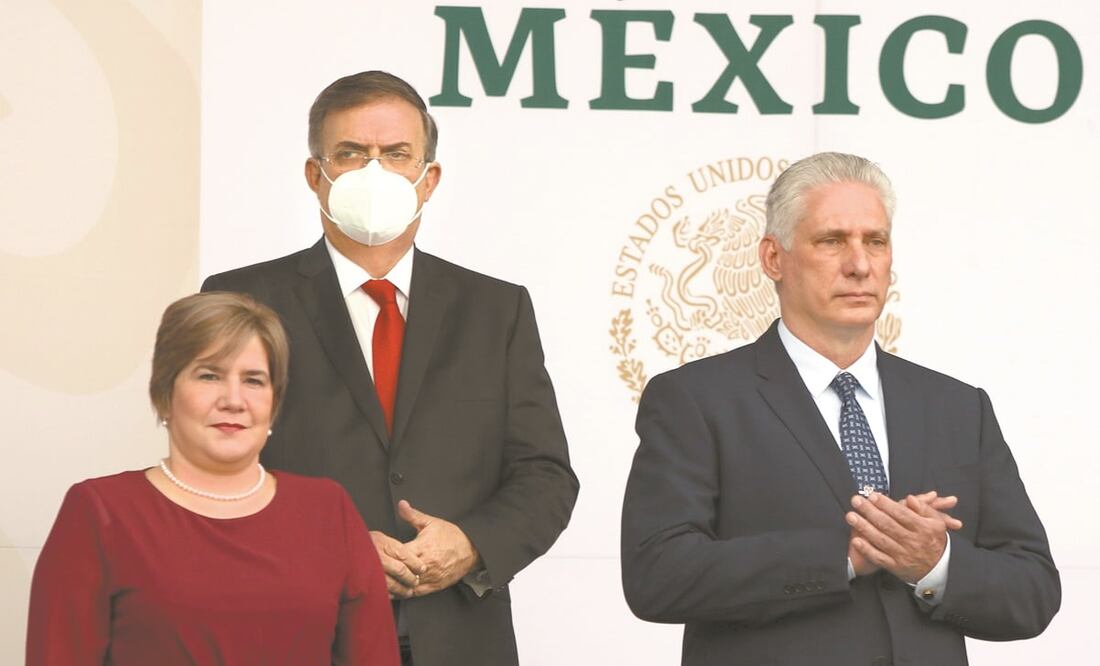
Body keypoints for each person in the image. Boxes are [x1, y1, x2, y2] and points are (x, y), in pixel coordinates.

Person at [621, 152, 1060, 666]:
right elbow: (658, 574)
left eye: (875, 241)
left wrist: (935, 564)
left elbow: (1033, 590)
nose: (859, 264)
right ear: (773, 258)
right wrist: (843, 555)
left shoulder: (959, 408)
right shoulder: (696, 398)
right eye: (831, 241)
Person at [201, 71, 578, 666]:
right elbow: (210, 474)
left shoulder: (495, 310)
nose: (373, 171)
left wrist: (471, 545)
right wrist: (330, 548)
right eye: (351, 153)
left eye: (397, 154)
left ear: (429, 180)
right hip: (293, 635)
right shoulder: (241, 301)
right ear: (315, 175)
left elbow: (545, 475)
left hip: (459, 639)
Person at [26, 292, 398, 664]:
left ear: (274, 401)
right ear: (164, 393)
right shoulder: (100, 512)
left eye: (254, 380)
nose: (233, 400)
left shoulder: (327, 510)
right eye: (209, 376)